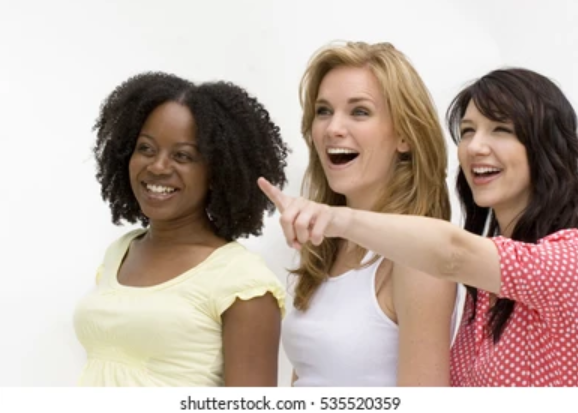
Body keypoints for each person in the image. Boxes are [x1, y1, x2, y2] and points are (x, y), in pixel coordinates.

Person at [259, 67, 578, 386]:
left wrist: (337, 219)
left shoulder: (567, 260)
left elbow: (452, 253)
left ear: (546, 145)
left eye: (501, 130)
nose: (474, 147)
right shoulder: (483, 290)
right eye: (467, 131)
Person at [74, 72, 289, 387]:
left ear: (217, 171)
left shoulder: (242, 281)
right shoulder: (120, 252)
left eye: (182, 155)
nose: (158, 166)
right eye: (146, 148)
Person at [278, 41, 465, 387]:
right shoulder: (326, 245)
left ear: (405, 135)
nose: (333, 128)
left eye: (359, 112)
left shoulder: (416, 258)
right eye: (323, 111)